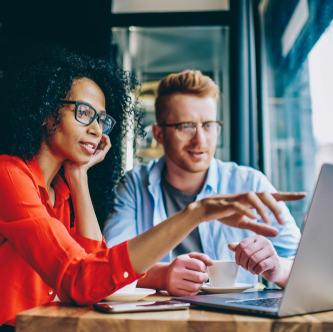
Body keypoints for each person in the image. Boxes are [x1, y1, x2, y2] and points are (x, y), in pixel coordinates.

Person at [0, 49, 304, 330]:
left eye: (102, 119)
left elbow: (95, 267)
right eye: (84, 113)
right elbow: (87, 279)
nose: (96, 129)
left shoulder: (62, 192)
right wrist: (196, 213)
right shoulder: (9, 177)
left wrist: (78, 176)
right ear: (45, 111)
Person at [103, 70, 303, 296]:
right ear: (159, 134)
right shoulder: (134, 185)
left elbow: (307, 266)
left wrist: (278, 268)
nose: (200, 139)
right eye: (185, 126)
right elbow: (108, 266)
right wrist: (162, 275)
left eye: (208, 125)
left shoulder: (250, 183)